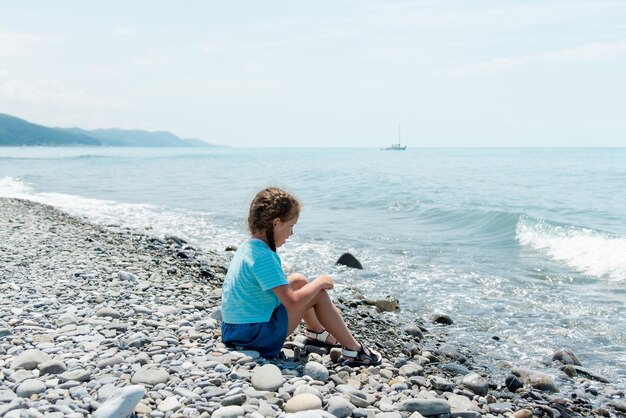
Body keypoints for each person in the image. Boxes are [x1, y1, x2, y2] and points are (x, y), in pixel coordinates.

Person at [220, 187, 382, 366]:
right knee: (317, 293)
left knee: (298, 281)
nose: (291, 233)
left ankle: (317, 334)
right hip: (255, 337)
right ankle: (354, 350)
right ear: (276, 223)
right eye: (291, 226)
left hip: (234, 331)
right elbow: (293, 303)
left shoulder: (248, 248)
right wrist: (319, 282)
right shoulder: (264, 257)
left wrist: (308, 286)